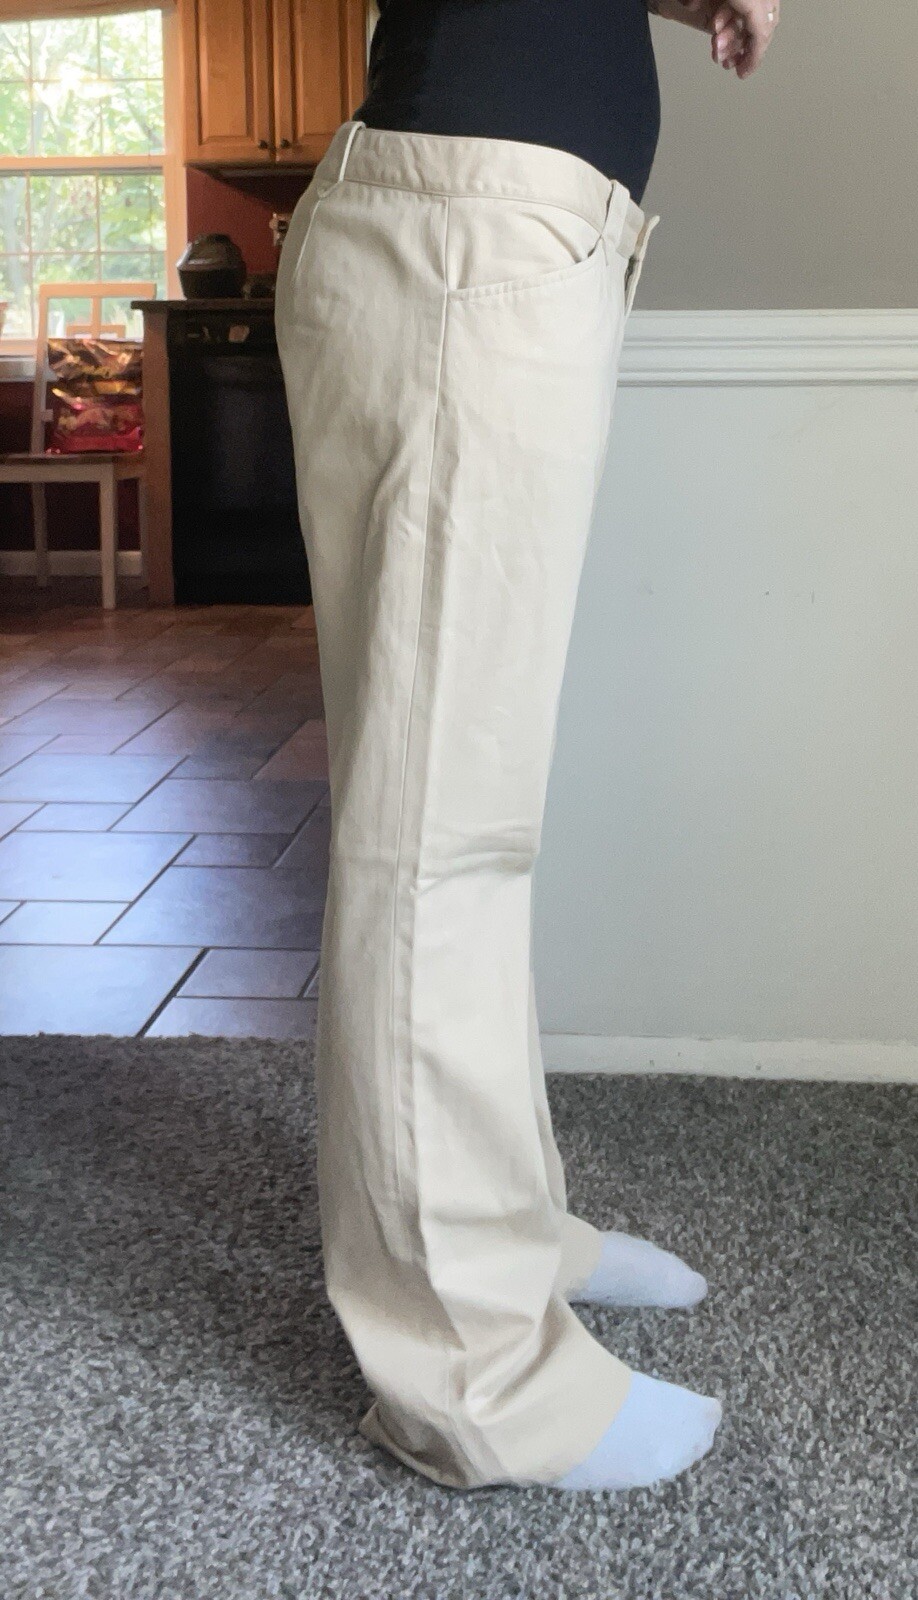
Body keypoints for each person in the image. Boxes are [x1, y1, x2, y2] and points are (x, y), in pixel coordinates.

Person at [275, 0, 780, 1492]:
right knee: (435, 836)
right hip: (465, 234)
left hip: (508, 231)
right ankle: (474, 1375)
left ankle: (507, 1235)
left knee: (472, 819)